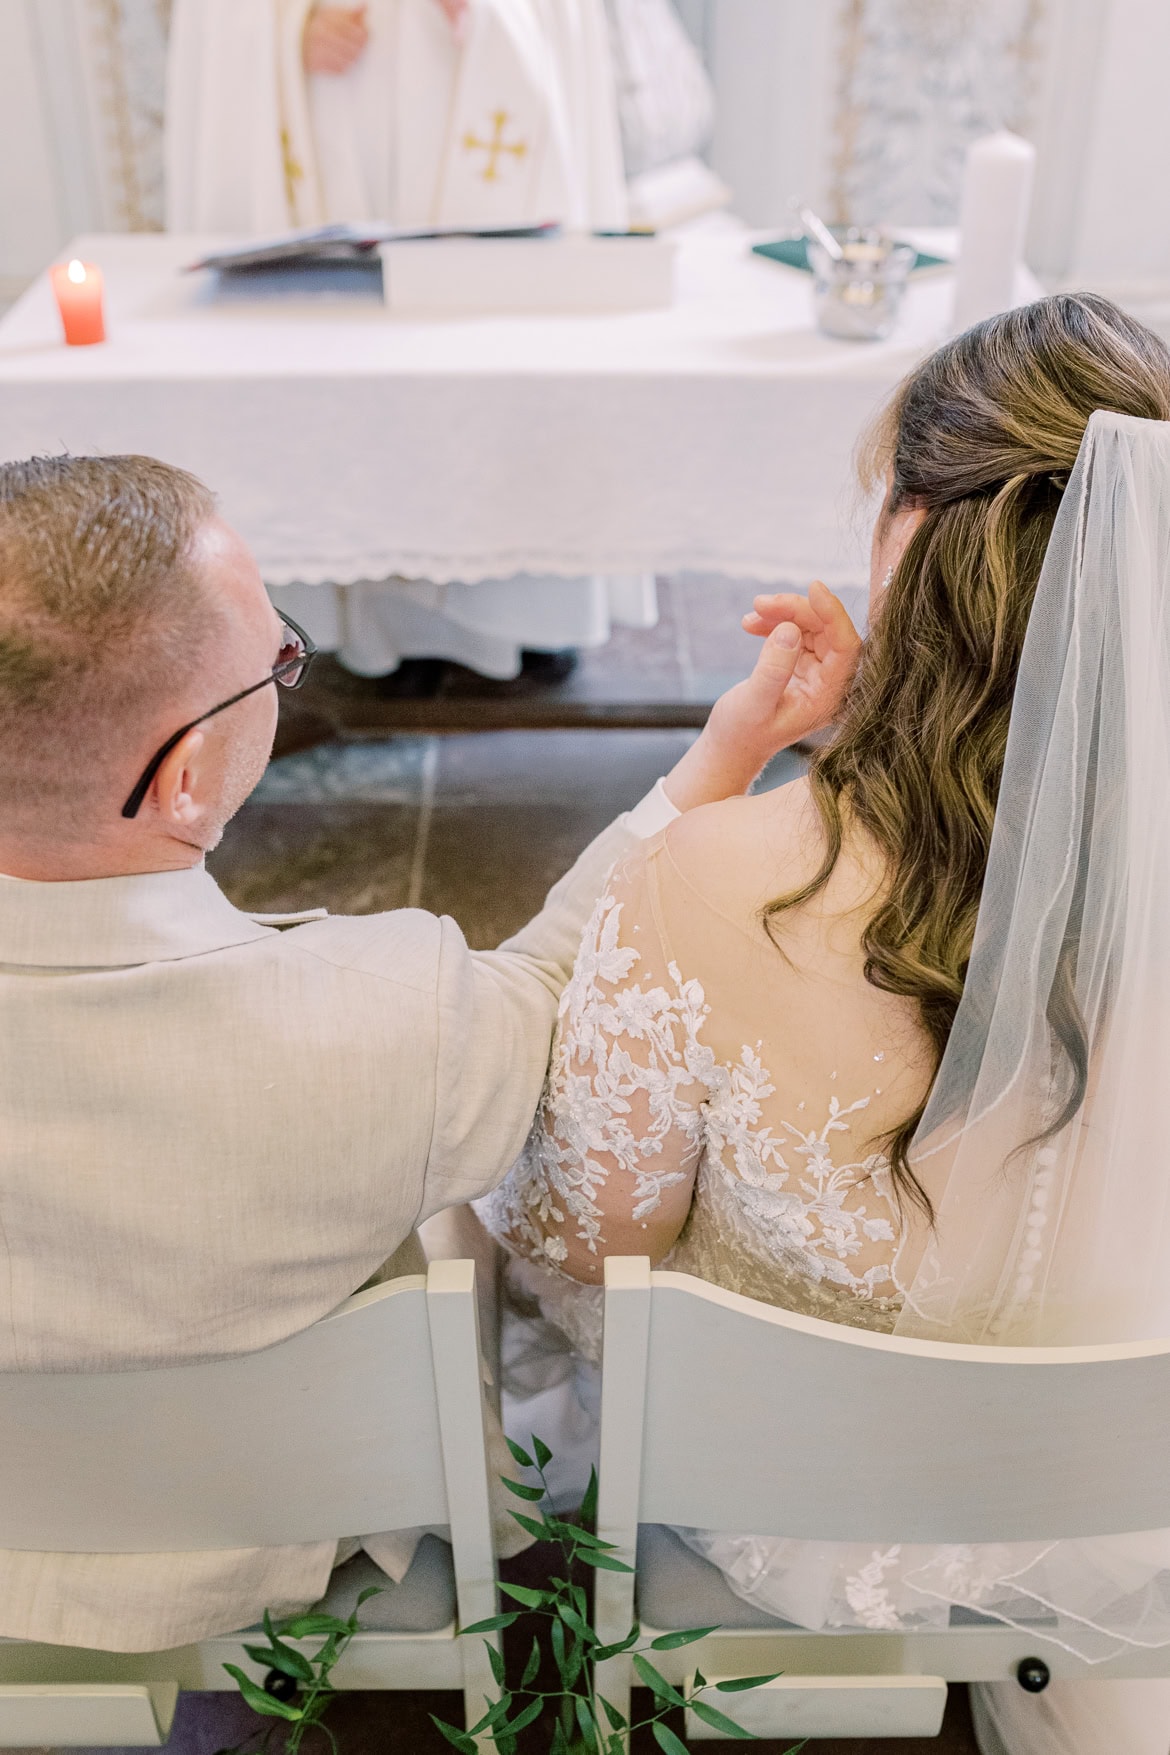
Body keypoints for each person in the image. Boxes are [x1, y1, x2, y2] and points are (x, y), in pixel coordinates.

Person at [477, 293, 1170, 1754]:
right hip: (1121, 1492)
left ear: (909, 544)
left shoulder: (717, 880)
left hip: (804, 1488)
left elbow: (581, 1237)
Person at [0, 450, 833, 1651]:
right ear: (183, 777)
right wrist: (723, 761)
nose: (285, 674)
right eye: (278, 661)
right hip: (269, 1531)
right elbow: (553, 987)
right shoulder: (388, 1021)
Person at [165, 0, 648, 689]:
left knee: (499, 350)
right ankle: (383, 625)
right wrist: (284, 30)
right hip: (340, 98)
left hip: (478, 65)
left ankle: (527, 616)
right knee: (351, 355)